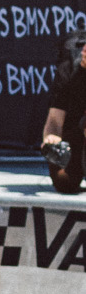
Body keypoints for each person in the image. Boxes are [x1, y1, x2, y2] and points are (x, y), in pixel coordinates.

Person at [41, 34, 86, 190]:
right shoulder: (68, 69)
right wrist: (52, 141)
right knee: (64, 181)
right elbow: (54, 121)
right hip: (74, 131)